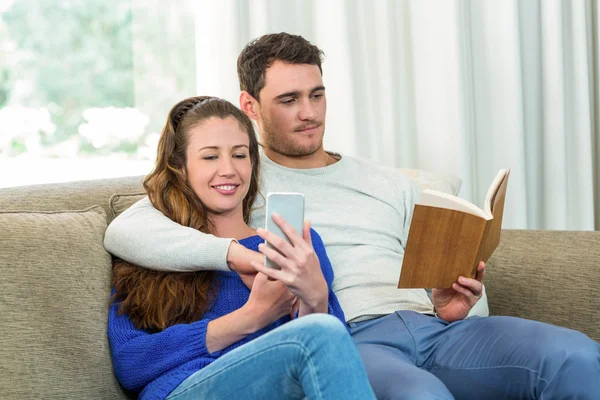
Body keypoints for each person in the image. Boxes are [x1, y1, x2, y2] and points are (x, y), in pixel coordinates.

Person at [105, 34, 600, 399]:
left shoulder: (387, 183)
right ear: (251, 106)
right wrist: (238, 261)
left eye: (316, 95)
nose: (308, 113)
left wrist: (454, 304)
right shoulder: (242, 194)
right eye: (289, 99)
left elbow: (325, 320)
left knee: (577, 357)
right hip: (356, 340)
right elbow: (128, 231)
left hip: (435, 325)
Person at [107, 96, 376, 400]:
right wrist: (251, 317)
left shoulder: (296, 245)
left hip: (275, 388)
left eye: (239, 155)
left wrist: (316, 300)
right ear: (181, 168)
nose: (229, 170)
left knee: (324, 333)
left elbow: (332, 365)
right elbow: (130, 362)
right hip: (182, 390)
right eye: (210, 157)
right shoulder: (150, 244)